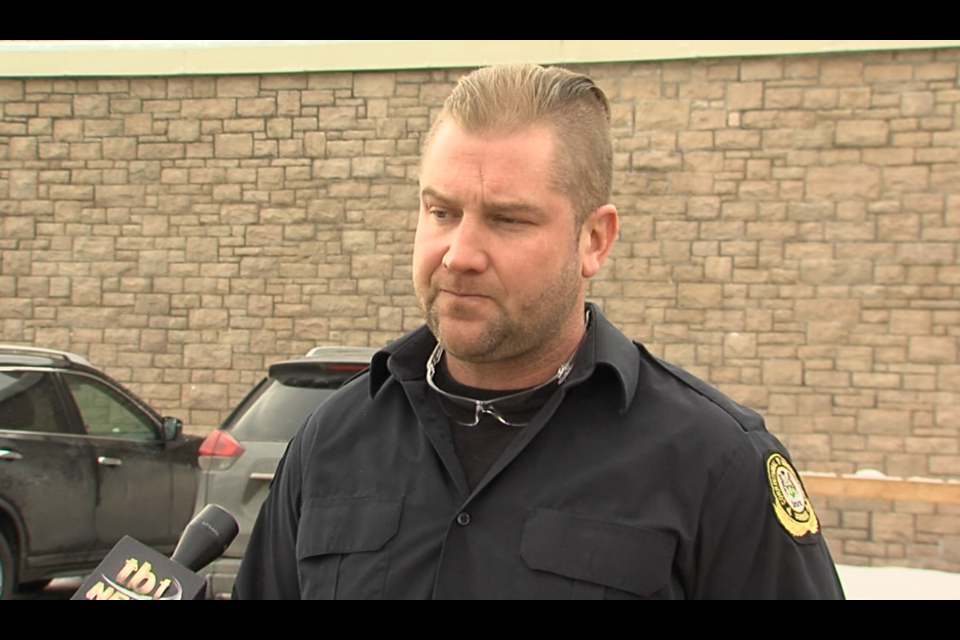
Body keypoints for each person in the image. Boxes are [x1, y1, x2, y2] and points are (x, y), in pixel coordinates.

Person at [233, 63, 845, 600]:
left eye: (507, 220)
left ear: (593, 240)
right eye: (441, 212)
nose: (459, 254)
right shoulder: (332, 441)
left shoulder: (717, 463)